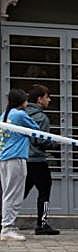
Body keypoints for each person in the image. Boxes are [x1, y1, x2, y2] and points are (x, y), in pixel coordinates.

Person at [23, 85, 58, 235]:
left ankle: (5, 220)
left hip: (22, 159)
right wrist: (54, 143)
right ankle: (42, 224)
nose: (49, 100)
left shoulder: (20, 114)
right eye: (47, 97)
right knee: (44, 192)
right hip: (37, 161)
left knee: (18, 192)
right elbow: (40, 140)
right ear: (39, 99)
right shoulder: (41, 117)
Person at [1, 89, 36, 241]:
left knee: (8, 193)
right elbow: (35, 129)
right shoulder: (20, 115)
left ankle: (8, 226)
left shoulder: (4, 115)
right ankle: (7, 227)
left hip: (4, 158)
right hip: (16, 157)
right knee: (14, 194)